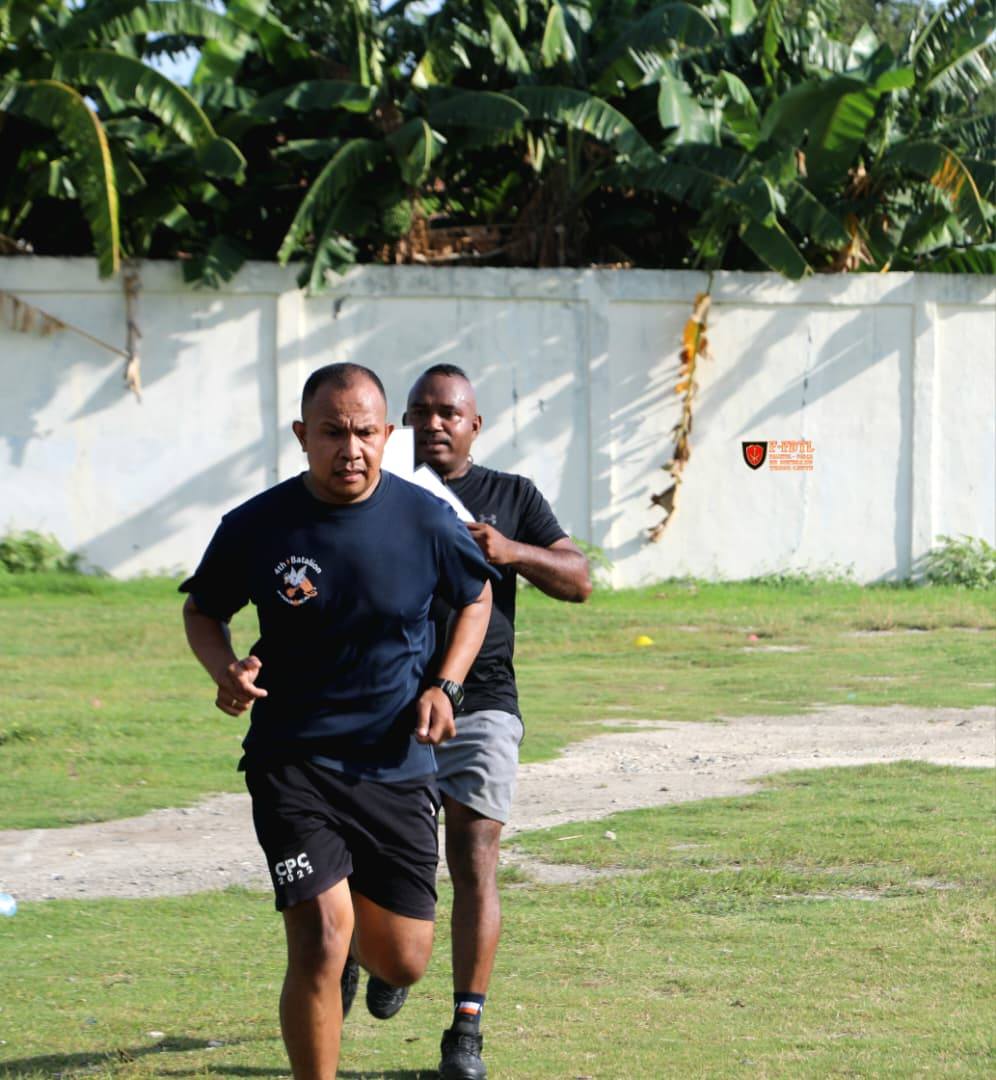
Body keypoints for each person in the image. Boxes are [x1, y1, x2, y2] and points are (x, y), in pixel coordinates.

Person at [180, 362, 495, 1079]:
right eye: (331, 433)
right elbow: (203, 610)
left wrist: (446, 686)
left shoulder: (426, 520)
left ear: (386, 435)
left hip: (394, 761)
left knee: (404, 961)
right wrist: (225, 669)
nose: (349, 449)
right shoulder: (257, 525)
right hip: (292, 759)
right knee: (321, 937)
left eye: (364, 433)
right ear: (302, 435)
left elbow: (475, 597)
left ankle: (361, 937)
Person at [367, 364, 592, 1079]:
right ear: (404, 423)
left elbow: (580, 578)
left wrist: (511, 550)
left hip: (483, 702)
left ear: (474, 424)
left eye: (448, 413)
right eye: (421, 412)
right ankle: (386, 956)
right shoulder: (379, 490)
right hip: (387, 704)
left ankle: (465, 1031)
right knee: (385, 858)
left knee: (474, 857)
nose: (434, 424)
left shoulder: (512, 495)